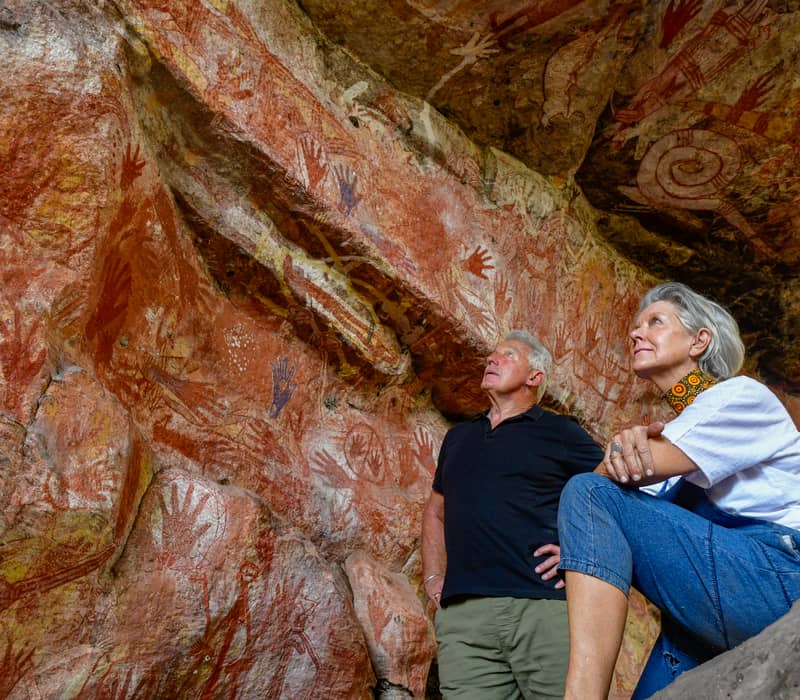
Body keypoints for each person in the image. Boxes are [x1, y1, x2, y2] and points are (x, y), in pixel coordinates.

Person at [557, 282, 800, 699]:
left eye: (655, 322)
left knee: (587, 493)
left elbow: (601, 487)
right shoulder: (675, 437)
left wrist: (624, 454)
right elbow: (612, 494)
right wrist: (581, 542)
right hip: (709, 604)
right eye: (635, 326)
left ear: (699, 341)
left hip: (776, 576)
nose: (636, 334)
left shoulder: (741, 396)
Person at [421, 330, 603, 699]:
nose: (492, 359)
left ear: (535, 378)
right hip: (463, 617)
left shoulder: (561, 433)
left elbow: (613, 493)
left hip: (542, 607)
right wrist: (432, 576)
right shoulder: (458, 437)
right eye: (491, 355)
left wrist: (581, 556)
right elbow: (435, 512)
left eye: (507, 355)